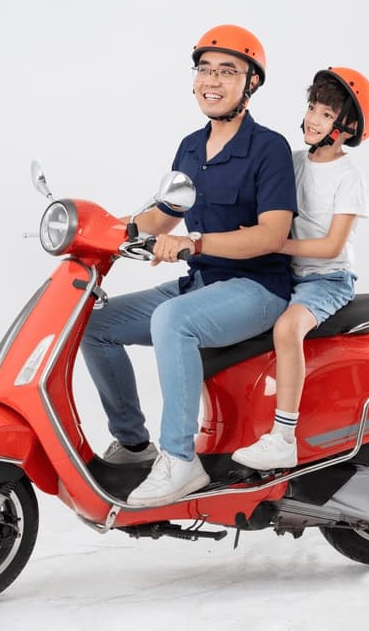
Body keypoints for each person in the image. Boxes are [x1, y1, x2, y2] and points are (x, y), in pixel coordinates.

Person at [80, 25, 297, 507]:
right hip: (201, 284)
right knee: (94, 326)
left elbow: (273, 234)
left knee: (170, 320)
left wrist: (192, 244)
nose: (212, 80)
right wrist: (100, 230)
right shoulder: (190, 148)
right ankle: (135, 445)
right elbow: (163, 214)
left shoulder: (269, 148)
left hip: (256, 289)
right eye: (205, 69)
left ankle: (181, 462)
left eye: (228, 70)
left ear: (251, 83)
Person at [231, 67, 369, 470]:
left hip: (327, 278)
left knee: (286, 328)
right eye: (313, 107)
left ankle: (283, 436)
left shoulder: (349, 177)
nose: (314, 118)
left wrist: (275, 243)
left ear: (347, 127)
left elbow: (332, 246)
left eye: (327, 114)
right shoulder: (292, 162)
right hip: (286, 273)